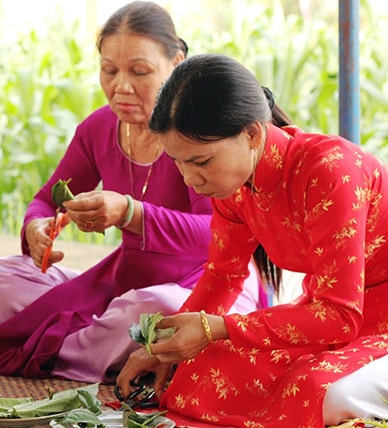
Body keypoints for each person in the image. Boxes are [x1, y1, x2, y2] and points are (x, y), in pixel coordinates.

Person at [0, 1, 264, 383]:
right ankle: (104, 350)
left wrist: (131, 213)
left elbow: (214, 235)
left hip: (200, 287)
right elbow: (49, 199)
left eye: (139, 71)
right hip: (121, 285)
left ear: (176, 61)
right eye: (109, 71)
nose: (121, 86)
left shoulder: (193, 132)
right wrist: (37, 227)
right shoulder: (98, 128)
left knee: (153, 309)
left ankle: (52, 351)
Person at [116, 53, 388, 426]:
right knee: (198, 375)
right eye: (178, 163)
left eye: (200, 161)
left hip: (363, 318)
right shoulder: (233, 187)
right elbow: (223, 277)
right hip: (332, 318)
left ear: (252, 134)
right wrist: (164, 348)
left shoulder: (330, 170)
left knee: (315, 389)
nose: (189, 180)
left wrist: (217, 329)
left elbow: (340, 315)